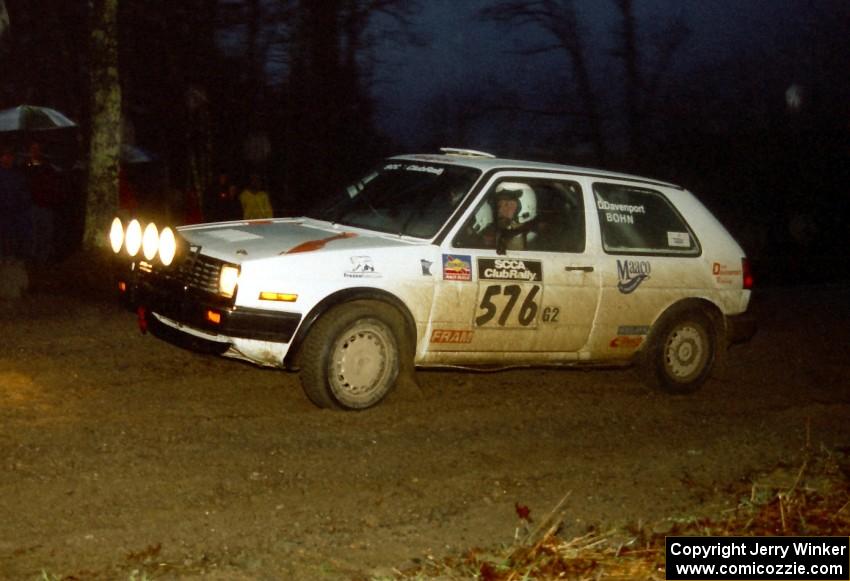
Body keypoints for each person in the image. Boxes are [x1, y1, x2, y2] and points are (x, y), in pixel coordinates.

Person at [23, 142, 61, 263]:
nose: (35, 152)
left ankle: (43, 258)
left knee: (46, 233)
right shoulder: (25, 166)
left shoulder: (47, 167)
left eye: (37, 149)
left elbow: (53, 185)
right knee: (33, 233)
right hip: (31, 206)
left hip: (45, 205)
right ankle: (32, 257)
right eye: (32, 149)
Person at [0, 147, 32, 260]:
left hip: (15, 213)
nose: (7, 158)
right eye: (5, 156)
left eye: (10, 156)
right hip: (3, 212)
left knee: (13, 235)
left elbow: (24, 194)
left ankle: (13, 256)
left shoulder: (18, 174)